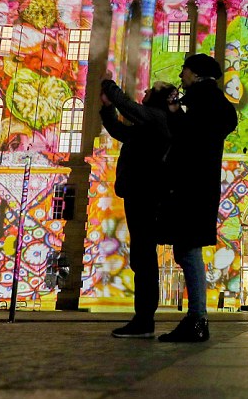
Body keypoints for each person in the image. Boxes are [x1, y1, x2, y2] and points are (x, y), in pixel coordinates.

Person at [157, 53, 238, 342]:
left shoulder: (205, 101)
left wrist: (176, 113)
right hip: (196, 185)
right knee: (185, 249)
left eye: (184, 71)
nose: (181, 76)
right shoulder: (207, 101)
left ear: (195, 73)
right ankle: (196, 317)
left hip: (191, 187)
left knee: (188, 249)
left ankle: (197, 319)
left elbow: (190, 139)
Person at [99, 79, 180, 339]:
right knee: (142, 259)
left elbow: (129, 108)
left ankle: (144, 320)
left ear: (158, 98)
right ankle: (143, 318)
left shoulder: (156, 117)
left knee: (144, 259)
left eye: (150, 90)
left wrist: (109, 86)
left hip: (146, 195)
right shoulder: (149, 123)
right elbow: (119, 131)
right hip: (140, 194)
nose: (144, 92)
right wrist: (107, 109)